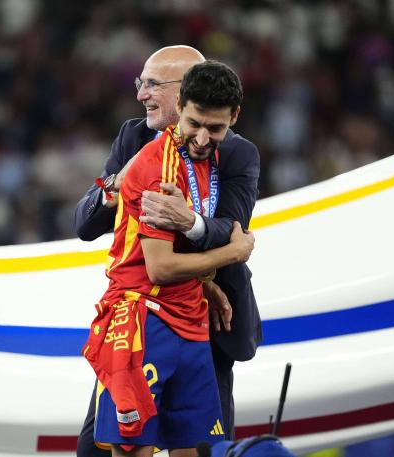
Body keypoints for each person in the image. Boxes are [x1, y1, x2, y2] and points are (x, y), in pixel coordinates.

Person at [74, 46, 261, 456]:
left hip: (206, 323)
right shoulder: (138, 144)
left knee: (198, 448)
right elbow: (86, 226)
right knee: (107, 448)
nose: (141, 93)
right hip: (142, 316)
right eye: (141, 82)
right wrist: (116, 185)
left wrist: (189, 221)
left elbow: (228, 228)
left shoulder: (236, 153)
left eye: (152, 83)